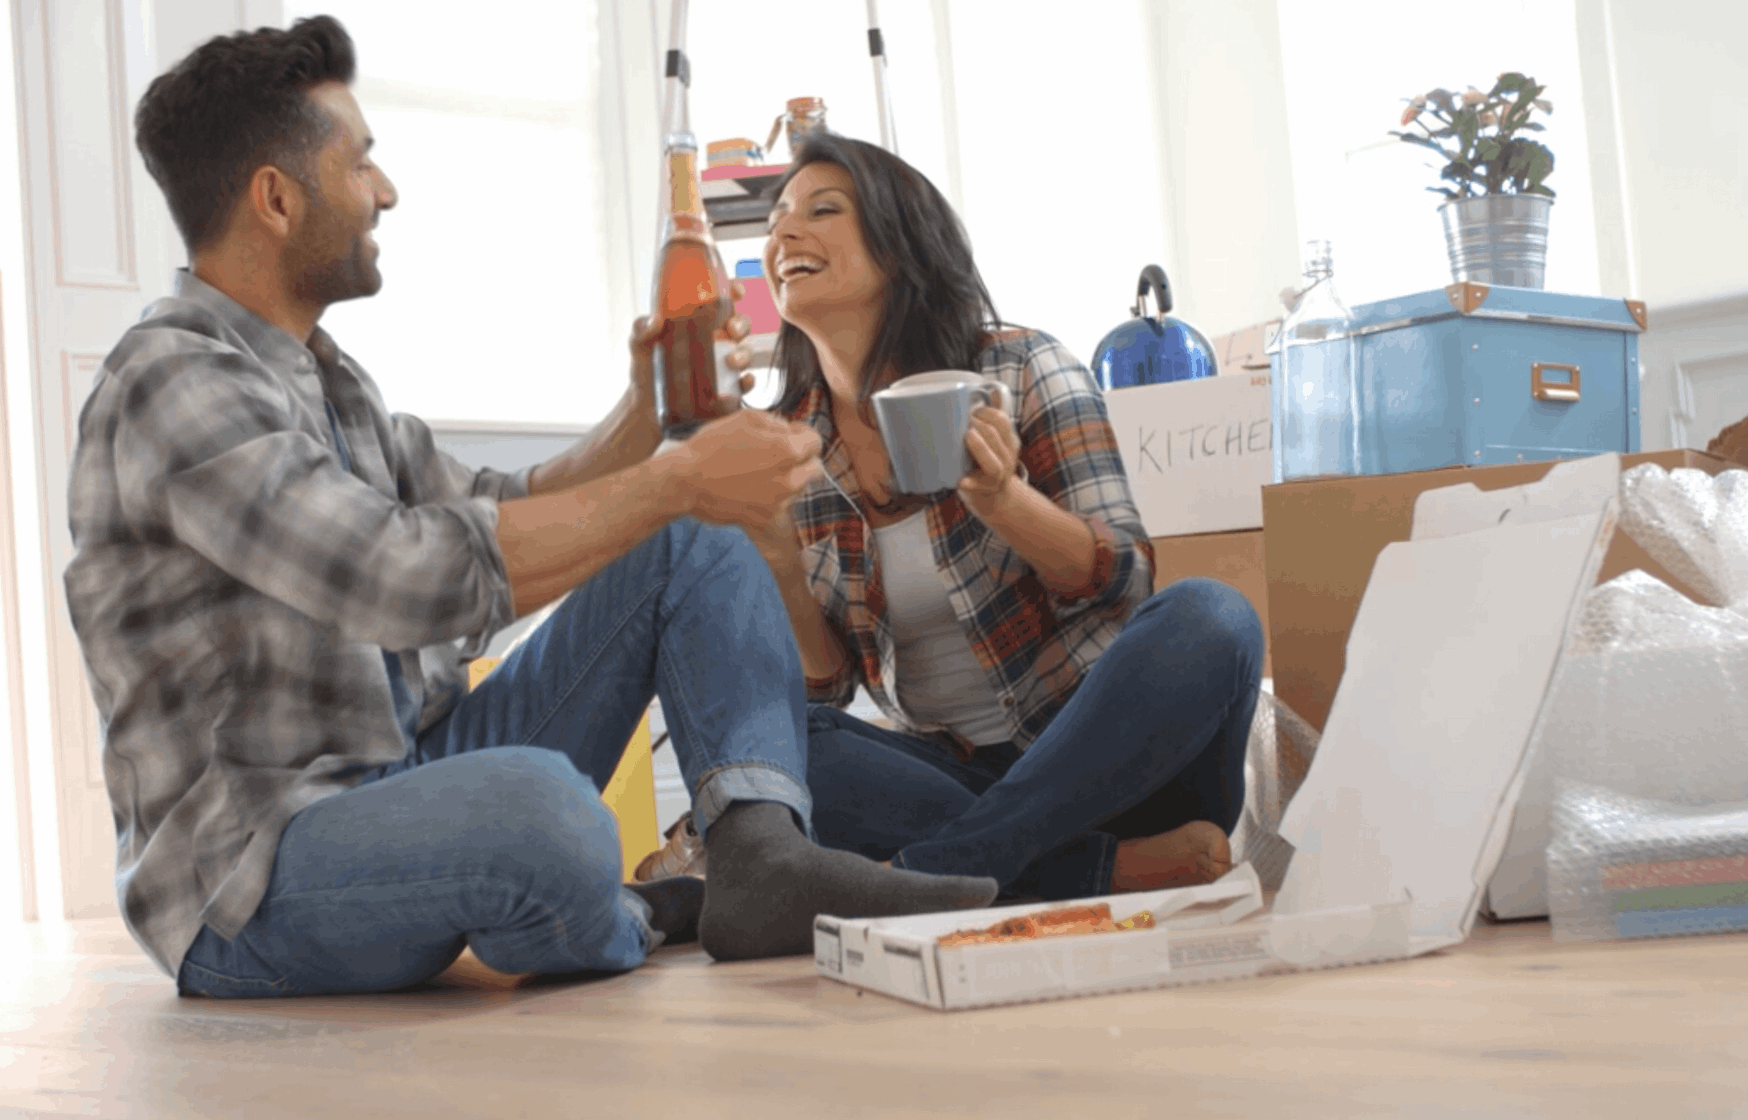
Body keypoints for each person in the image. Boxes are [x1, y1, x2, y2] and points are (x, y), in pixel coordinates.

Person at [64, 17, 997, 996]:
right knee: (542, 817)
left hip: (412, 770)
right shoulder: (170, 380)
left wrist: (645, 414)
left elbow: (505, 505)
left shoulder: (331, 385)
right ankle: (638, 910)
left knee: (689, 545)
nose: (386, 190)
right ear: (276, 198)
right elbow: (403, 577)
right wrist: (674, 475)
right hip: (254, 874)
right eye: (361, 163)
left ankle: (758, 859)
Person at [740, 133, 1266, 903]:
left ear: (902, 242)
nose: (783, 233)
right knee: (772, 735)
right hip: (955, 775)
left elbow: (1124, 575)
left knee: (1212, 617)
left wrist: (1003, 503)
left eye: (822, 210)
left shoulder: (1020, 368)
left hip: (1119, 764)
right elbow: (827, 688)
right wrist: (779, 566)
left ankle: (936, 873)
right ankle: (1098, 870)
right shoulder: (790, 443)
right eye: (777, 218)